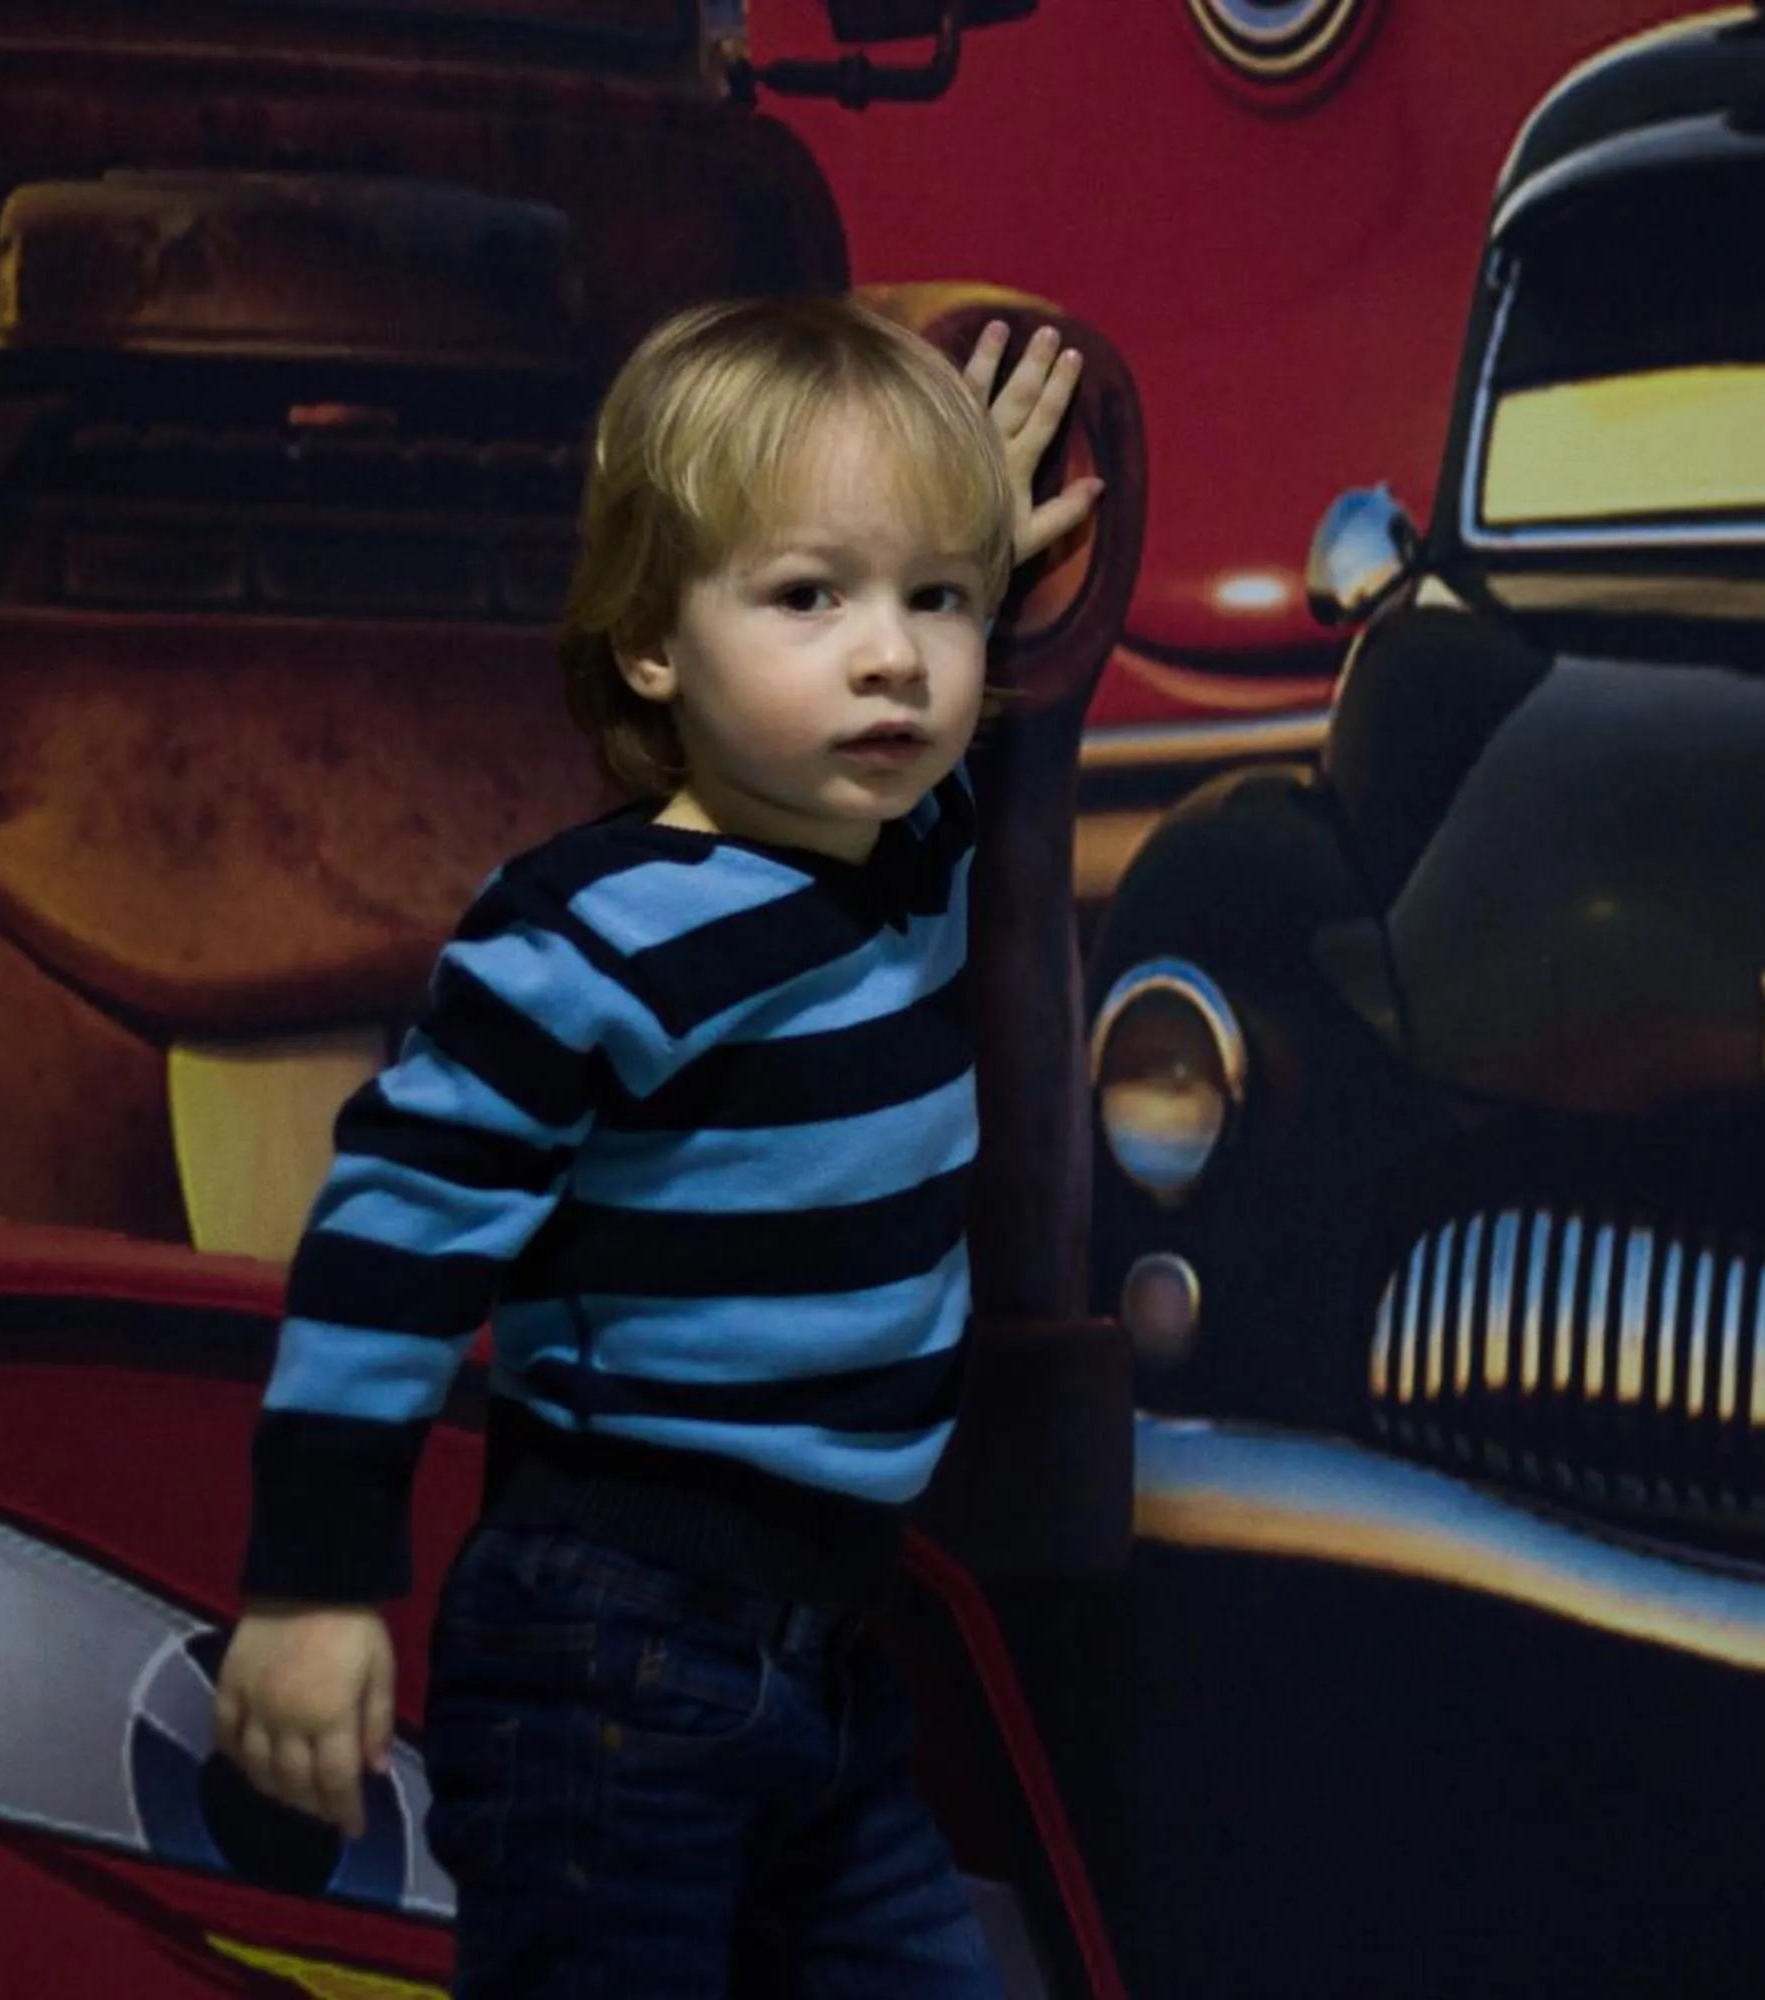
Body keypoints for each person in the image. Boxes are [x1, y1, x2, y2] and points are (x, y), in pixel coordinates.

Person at [211, 295, 1102, 1999]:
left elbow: (935, 690)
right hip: (615, 1642)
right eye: (808, 596)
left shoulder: (907, 849)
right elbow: (392, 1239)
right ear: (648, 644)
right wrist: (315, 1584)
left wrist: (965, 528)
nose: (892, 656)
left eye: (935, 601)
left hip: (832, 1651)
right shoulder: (591, 935)